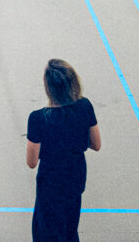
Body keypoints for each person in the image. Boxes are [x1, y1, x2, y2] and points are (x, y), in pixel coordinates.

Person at [26, 60, 101, 242]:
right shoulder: (85, 106)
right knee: (69, 226)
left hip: (51, 183)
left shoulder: (38, 118)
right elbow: (96, 144)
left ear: (49, 88)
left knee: (46, 230)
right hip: (75, 176)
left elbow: (32, 162)